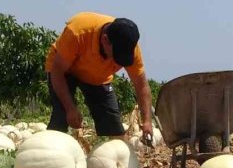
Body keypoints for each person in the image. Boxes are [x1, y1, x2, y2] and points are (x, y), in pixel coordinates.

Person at [44, 12, 153, 144]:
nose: (117, 62)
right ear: (105, 40)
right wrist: (70, 108)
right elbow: (57, 71)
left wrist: (147, 121)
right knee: (60, 118)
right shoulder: (77, 32)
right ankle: (48, 157)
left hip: (98, 77)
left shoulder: (129, 46)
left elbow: (141, 85)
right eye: (116, 56)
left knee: (114, 127)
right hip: (65, 71)